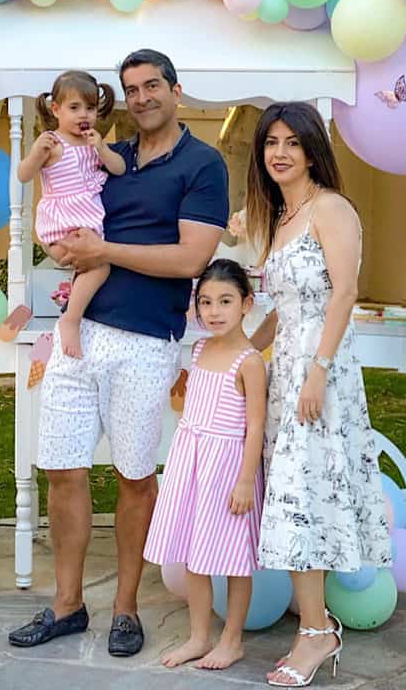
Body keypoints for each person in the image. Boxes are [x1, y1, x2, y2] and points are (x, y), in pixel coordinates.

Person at [8, 49, 229, 657]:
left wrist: (102, 250)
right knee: (61, 467)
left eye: (153, 86)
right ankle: (67, 605)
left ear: (176, 91)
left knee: (135, 476)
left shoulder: (202, 164)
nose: (142, 97)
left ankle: (126, 608)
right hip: (78, 337)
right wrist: (66, 250)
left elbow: (190, 259)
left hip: (145, 341)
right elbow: (60, 209)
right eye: (132, 89)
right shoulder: (109, 156)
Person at [245, 102, 391, 688]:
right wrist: (242, 352)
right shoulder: (281, 217)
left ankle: (315, 634)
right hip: (285, 378)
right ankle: (315, 626)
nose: (279, 152)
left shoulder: (331, 208)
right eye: (270, 142)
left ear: (311, 150)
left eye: (292, 143)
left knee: (307, 494)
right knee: (294, 498)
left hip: (320, 379)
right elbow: (281, 310)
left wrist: (317, 370)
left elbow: (344, 292)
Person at [144, 259, 266, 671]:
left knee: (232, 557)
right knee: (191, 553)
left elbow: (255, 425)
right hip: (191, 461)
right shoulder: (197, 350)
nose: (214, 311)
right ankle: (199, 636)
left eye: (226, 301)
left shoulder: (249, 362)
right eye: (207, 302)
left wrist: (246, 480)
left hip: (228, 466)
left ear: (246, 304)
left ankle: (232, 640)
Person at [16, 70, 125, 359]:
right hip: (65, 220)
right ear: (56, 110)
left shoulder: (92, 142)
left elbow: (119, 168)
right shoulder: (52, 142)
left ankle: (73, 311)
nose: (83, 115)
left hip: (87, 220)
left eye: (90, 108)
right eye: (74, 108)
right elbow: (23, 174)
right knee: (98, 266)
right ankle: (71, 318)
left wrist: (101, 148)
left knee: (94, 266)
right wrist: (37, 152)